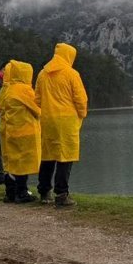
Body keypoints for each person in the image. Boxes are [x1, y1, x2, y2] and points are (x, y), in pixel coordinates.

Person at [34, 43, 88, 206]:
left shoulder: (42, 74)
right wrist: (82, 114)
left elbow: (37, 100)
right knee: (65, 157)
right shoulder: (72, 74)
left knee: (48, 156)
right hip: (66, 121)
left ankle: (44, 192)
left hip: (47, 120)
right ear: (68, 56)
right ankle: (61, 194)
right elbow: (81, 99)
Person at [0, 60, 41, 203]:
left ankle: (10, 192)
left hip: (8, 130)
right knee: (22, 164)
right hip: (24, 131)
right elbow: (38, 109)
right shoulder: (23, 90)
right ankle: (22, 193)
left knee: (10, 163)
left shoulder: (6, 90)